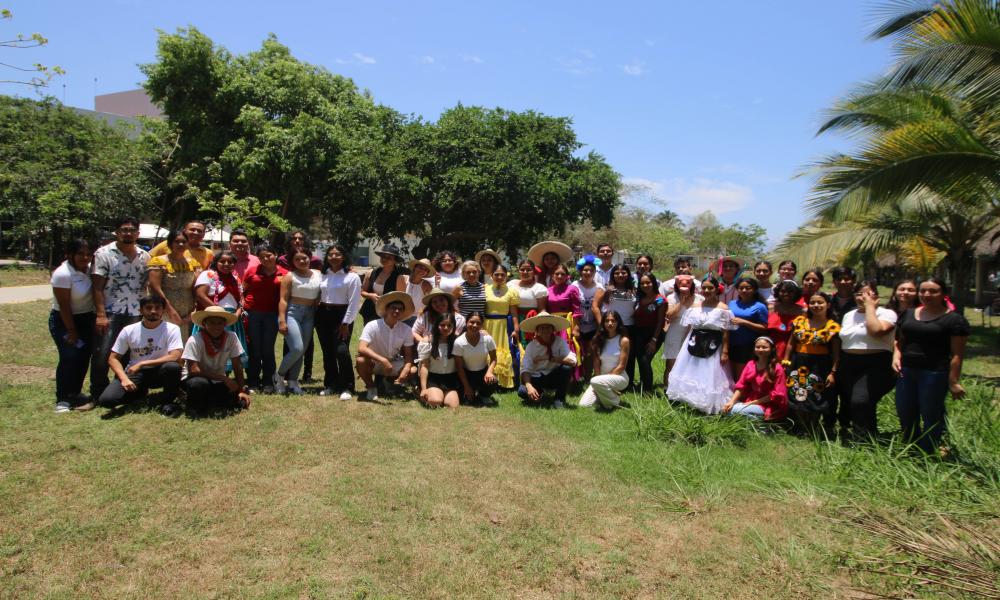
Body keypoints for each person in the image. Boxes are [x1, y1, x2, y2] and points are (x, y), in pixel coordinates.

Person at [893, 277, 969, 454]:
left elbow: (957, 354)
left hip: (934, 373)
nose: (927, 294)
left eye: (933, 291)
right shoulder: (909, 314)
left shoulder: (954, 320)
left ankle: (928, 452)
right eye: (923, 291)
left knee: (930, 414)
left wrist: (953, 381)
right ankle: (911, 448)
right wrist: (896, 357)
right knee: (905, 411)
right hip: (906, 371)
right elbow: (898, 341)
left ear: (944, 294)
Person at [90, 216, 151, 400]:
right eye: (124, 230)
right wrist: (100, 314)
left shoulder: (144, 256)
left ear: (138, 233)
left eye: (132, 230)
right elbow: (97, 287)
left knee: (129, 353)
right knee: (103, 353)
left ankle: (122, 391)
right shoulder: (104, 254)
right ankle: (98, 392)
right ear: (116, 232)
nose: (128, 233)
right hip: (111, 311)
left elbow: (145, 286)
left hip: (135, 312)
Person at [97, 295, 183, 416]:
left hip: (160, 371)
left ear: (163, 310)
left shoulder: (172, 329)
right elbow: (113, 358)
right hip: (136, 373)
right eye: (148, 308)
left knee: (172, 367)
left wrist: (143, 363)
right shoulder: (129, 330)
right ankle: (139, 392)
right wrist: (124, 379)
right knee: (107, 401)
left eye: (158, 308)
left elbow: (175, 356)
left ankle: (168, 400)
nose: (153, 311)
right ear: (140, 310)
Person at [838, 280, 897, 441]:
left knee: (860, 401)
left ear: (876, 296)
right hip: (849, 362)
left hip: (875, 363)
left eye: (868, 293)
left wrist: (870, 307)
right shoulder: (849, 315)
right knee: (860, 402)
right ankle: (870, 437)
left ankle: (860, 438)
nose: (863, 297)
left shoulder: (887, 313)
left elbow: (876, 331)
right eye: (859, 294)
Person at [667, 277, 735, 414]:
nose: (707, 291)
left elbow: (725, 332)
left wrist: (725, 351)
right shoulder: (695, 307)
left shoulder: (723, 308)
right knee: (691, 372)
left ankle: (706, 404)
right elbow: (690, 328)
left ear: (717, 289)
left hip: (713, 345)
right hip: (694, 342)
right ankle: (688, 400)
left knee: (709, 375)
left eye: (710, 288)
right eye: (704, 288)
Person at [784, 292, 841, 436]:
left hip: (820, 364)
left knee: (816, 395)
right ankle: (800, 427)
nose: (816, 305)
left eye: (820, 302)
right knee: (798, 394)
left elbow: (835, 352)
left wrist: (833, 372)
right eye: (813, 302)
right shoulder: (800, 322)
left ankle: (812, 428)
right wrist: (786, 360)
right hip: (799, 362)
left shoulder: (832, 326)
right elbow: (791, 343)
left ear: (828, 305)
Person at [50, 239, 96, 412]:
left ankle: (75, 394)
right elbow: (64, 306)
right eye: (80, 254)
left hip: (86, 318)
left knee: (83, 356)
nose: (85, 257)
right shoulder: (63, 274)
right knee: (69, 356)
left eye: (88, 253)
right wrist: (71, 330)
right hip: (64, 319)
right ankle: (62, 398)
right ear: (69, 254)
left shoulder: (91, 268)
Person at [181, 306, 251, 411]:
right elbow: (194, 370)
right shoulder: (194, 340)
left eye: (219, 323)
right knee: (199, 385)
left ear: (225, 324)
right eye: (212, 323)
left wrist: (240, 390)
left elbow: (237, 365)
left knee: (232, 394)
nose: (216, 326)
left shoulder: (231, 337)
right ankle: (188, 398)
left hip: (216, 380)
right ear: (204, 324)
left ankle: (211, 401)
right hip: (196, 378)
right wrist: (224, 378)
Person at [317, 243, 362, 400]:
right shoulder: (323, 274)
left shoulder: (352, 277)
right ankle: (331, 384)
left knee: (341, 351)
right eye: (330, 254)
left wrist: (345, 323)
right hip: (323, 314)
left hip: (342, 316)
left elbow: (354, 303)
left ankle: (347, 387)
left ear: (344, 257)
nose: (334, 257)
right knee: (327, 352)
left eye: (337, 254)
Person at [274, 250, 321, 395]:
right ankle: (278, 376)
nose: (302, 261)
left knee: (302, 351)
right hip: (292, 312)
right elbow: (283, 299)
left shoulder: (318, 273)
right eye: (297, 259)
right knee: (297, 348)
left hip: (310, 313)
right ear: (293, 262)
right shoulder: (289, 276)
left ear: (310, 258)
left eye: (304, 258)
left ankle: (293, 381)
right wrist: (282, 320)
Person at [356, 291, 417, 401]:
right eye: (394, 308)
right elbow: (362, 348)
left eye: (400, 309)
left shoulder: (406, 329)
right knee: (361, 361)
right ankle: (371, 387)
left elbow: (408, 355)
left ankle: (388, 382)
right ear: (387, 309)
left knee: (412, 370)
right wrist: (383, 360)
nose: (397, 311)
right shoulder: (372, 325)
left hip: (394, 361)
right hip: (374, 361)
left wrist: (406, 369)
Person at [242, 243, 286, 393]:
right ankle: (253, 382)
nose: (266, 258)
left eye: (269, 255)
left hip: (272, 315)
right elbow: (244, 289)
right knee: (254, 349)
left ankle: (268, 381)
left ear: (276, 255)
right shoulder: (252, 271)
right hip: (252, 313)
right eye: (262, 257)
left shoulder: (284, 274)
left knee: (267, 349)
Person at [192, 250, 247, 369]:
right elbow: (200, 294)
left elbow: (241, 300)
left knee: (229, 349)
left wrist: (237, 314)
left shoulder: (235, 277)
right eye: (222, 261)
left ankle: (227, 375)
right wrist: (218, 312)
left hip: (232, 318)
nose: (226, 264)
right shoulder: (207, 275)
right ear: (216, 262)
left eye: (230, 262)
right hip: (212, 316)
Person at [146, 229, 201, 340]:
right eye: (177, 241)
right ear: (170, 243)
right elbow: (155, 287)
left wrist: (195, 308)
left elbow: (196, 287)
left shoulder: (193, 263)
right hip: (163, 308)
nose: (180, 244)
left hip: (187, 310)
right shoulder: (159, 262)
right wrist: (169, 309)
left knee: (183, 340)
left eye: (183, 241)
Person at [517, 312, 577, 409]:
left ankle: (559, 399)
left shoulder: (559, 341)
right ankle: (538, 393)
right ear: (537, 331)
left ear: (553, 329)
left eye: (548, 327)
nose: (545, 330)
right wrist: (529, 386)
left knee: (567, 368)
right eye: (542, 328)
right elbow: (525, 369)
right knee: (522, 392)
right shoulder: (531, 346)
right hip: (535, 378)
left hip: (552, 376)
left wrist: (552, 359)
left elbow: (573, 361)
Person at [722, 336, 788, 422]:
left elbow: (777, 394)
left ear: (772, 349)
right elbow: (741, 385)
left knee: (733, 411)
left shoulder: (777, 368)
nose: (760, 349)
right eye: (758, 347)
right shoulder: (750, 364)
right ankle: (756, 422)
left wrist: (754, 402)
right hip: (751, 399)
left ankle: (762, 423)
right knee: (726, 407)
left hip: (767, 404)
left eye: (764, 347)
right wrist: (732, 401)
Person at [579, 310, 631, 410]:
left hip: (619, 377)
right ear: (603, 323)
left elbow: (622, 366)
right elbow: (596, 364)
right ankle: (607, 400)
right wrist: (599, 380)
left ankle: (615, 403)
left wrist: (601, 380)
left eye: (613, 321)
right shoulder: (598, 339)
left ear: (618, 322)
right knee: (584, 405)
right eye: (607, 321)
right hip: (600, 379)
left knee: (595, 381)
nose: (610, 323)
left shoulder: (623, 340)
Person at [600, 264, 638, 386]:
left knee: (629, 356)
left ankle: (629, 382)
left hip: (629, 326)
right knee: (611, 355)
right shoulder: (608, 289)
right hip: (613, 326)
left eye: (623, 273)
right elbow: (602, 304)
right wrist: (608, 292)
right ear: (613, 275)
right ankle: (608, 378)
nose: (620, 275)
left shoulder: (634, 290)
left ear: (628, 275)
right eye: (617, 273)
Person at [483, 264, 520, 388]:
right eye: (496, 274)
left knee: (502, 351)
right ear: (492, 276)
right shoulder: (485, 289)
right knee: (487, 351)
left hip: (503, 325)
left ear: (506, 276)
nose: (499, 277)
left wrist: (516, 327)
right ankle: (486, 379)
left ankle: (501, 382)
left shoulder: (512, 291)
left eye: (502, 275)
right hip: (487, 324)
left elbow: (514, 312)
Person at [661, 274, 701, 386]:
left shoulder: (699, 299)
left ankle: (684, 389)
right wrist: (682, 302)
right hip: (675, 332)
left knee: (690, 364)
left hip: (693, 333)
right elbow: (669, 316)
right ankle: (668, 389)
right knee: (671, 363)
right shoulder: (671, 298)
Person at [417, 312, 461, 409]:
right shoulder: (428, 342)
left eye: (449, 325)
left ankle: (445, 394)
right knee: (435, 401)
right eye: (442, 325)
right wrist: (424, 389)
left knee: (453, 406)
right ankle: (420, 390)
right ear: (437, 325)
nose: (446, 328)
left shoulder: (457, 342)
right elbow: (424, 366)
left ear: (453, 327)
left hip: (451, 378)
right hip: (434, 378)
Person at [454, 312, 499, 406]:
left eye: (478, 323)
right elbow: (459, 367)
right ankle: (469, 393)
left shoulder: (487, 339)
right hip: (466, 374)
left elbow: (494, 358)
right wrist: (467, 387)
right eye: (472, 322)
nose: (475, 325)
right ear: (466, 322)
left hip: (483, 372)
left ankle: (484, 395)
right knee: (465, 399)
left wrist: (489, 372)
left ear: (482, 325)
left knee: (493, 380)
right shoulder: (459, 342)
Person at [728, 277, 769, 380]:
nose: (744, 290)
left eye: (748, 288)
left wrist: (745, 322)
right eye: (741, 288)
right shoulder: (732, 304)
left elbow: (764, 328)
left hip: (746, 346)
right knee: (729, 375)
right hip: (730, 344)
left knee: (740, 376)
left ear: (754, 290)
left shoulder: (760, 306)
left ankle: (741, 396)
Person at [545, 263, 582, 377]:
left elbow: (577, 311)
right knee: (552, 348)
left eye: (562, 274)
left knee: (567, 349)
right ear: (552, 275)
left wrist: (576, 328)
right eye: (557, 274)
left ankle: (570, 379)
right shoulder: (548, 290)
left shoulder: (572, 289)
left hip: (566, 324)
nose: (560, 276)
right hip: (552, 323)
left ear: (567, 276)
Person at [572, 255, 605, 381]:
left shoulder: (599, 287)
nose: (588, 272)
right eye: (585, 270)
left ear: (595, 272)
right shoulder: (575, 286)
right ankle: (576, 377)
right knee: (577, 352)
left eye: (591, 270)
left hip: (592, 326)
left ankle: (588, 379)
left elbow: (599, 308)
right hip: (577, 325)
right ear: (580, 271)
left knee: (591, 353)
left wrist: (600, 327)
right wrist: (575, 326)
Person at [632, 272, 666, 393]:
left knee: (646, 360)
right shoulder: (640, 298)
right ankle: (642, 384)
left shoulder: (660, 300)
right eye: (642, 283)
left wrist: (654, 340)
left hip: (654, 334)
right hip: (639, 332)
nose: (645, 285)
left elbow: (660, 322)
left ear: (654, 283)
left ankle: (648, 390)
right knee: (640, 359)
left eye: (648, 282)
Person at [360, 243, 407, 324]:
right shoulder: (371, 273)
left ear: (395, 261)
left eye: (389, 257)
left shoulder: (399, 278)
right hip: (370, 312)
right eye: (383, 256)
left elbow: (401, 300)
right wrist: (370, 296)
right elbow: (362, 292)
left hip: (388, 314)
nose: (385, 259)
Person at [766, 280, 804, 360]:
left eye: (790, 291)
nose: (786, 294)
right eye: (783, 291)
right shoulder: (770, 308)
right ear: (778, 292)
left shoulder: (802, 311)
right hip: (771, 348)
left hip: (794, 349)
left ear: (796, 293)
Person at [514, 258, 548, 324]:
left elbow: (542, 309)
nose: (525, 272)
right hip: (513, 320)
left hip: (532, 321)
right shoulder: (511, 284)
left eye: (529, 270)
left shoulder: (539, 288)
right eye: (522, 269)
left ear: (534, 272)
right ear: (518, 271)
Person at [404, 258, 435, 322]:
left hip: (418, 318)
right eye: (420, 267)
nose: (422, 271)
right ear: (415, 267)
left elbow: (431, 302)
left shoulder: (426, 285)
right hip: (403, 316)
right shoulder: (403, 279)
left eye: (426, 270)